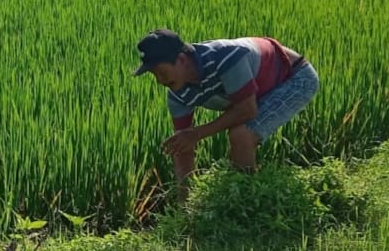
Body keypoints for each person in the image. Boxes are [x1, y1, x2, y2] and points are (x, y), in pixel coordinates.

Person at [132, 29, 319, 201]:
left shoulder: (226, 57)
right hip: (259, 91)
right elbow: (183, 148)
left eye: (161, 72)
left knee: (241, 134)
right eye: (154, 75)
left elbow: (247, 110)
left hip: (294, 78)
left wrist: (196, 134)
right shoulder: (177, 94)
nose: (159, 81)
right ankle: (242, 202)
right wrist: (185, 204)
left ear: (181, 60)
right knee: (239, 133)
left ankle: (245, 205)